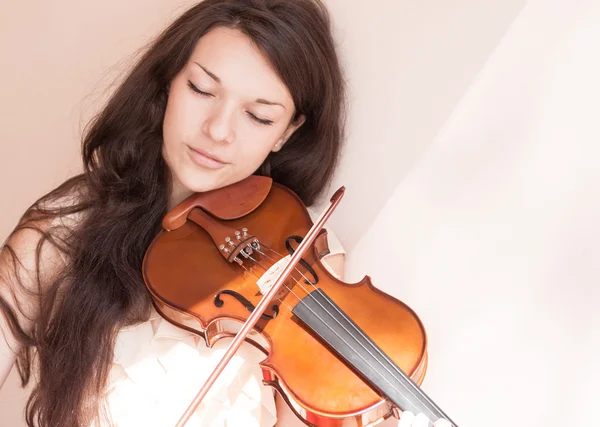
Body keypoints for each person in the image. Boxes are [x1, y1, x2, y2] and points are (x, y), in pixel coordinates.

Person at [0, 1, 450, 426]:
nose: (217, 131)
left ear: (287, 132)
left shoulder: (306, 250)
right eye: (201, 89)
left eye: (258, 116)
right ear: (168, 84)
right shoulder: (63, 231)